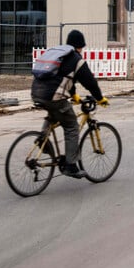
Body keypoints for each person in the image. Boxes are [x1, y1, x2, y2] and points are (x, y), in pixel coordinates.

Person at [30, 29, 109, 178]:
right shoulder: (76, 59)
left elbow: (67, 79)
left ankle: (42, 139)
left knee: (54, 114)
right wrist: (99, 98)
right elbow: (90, 82)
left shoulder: (61, 56)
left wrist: (74, 95)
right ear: (80, 46)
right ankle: (71, 165)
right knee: (72, 125)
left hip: (37, 93)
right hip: (54, 96)